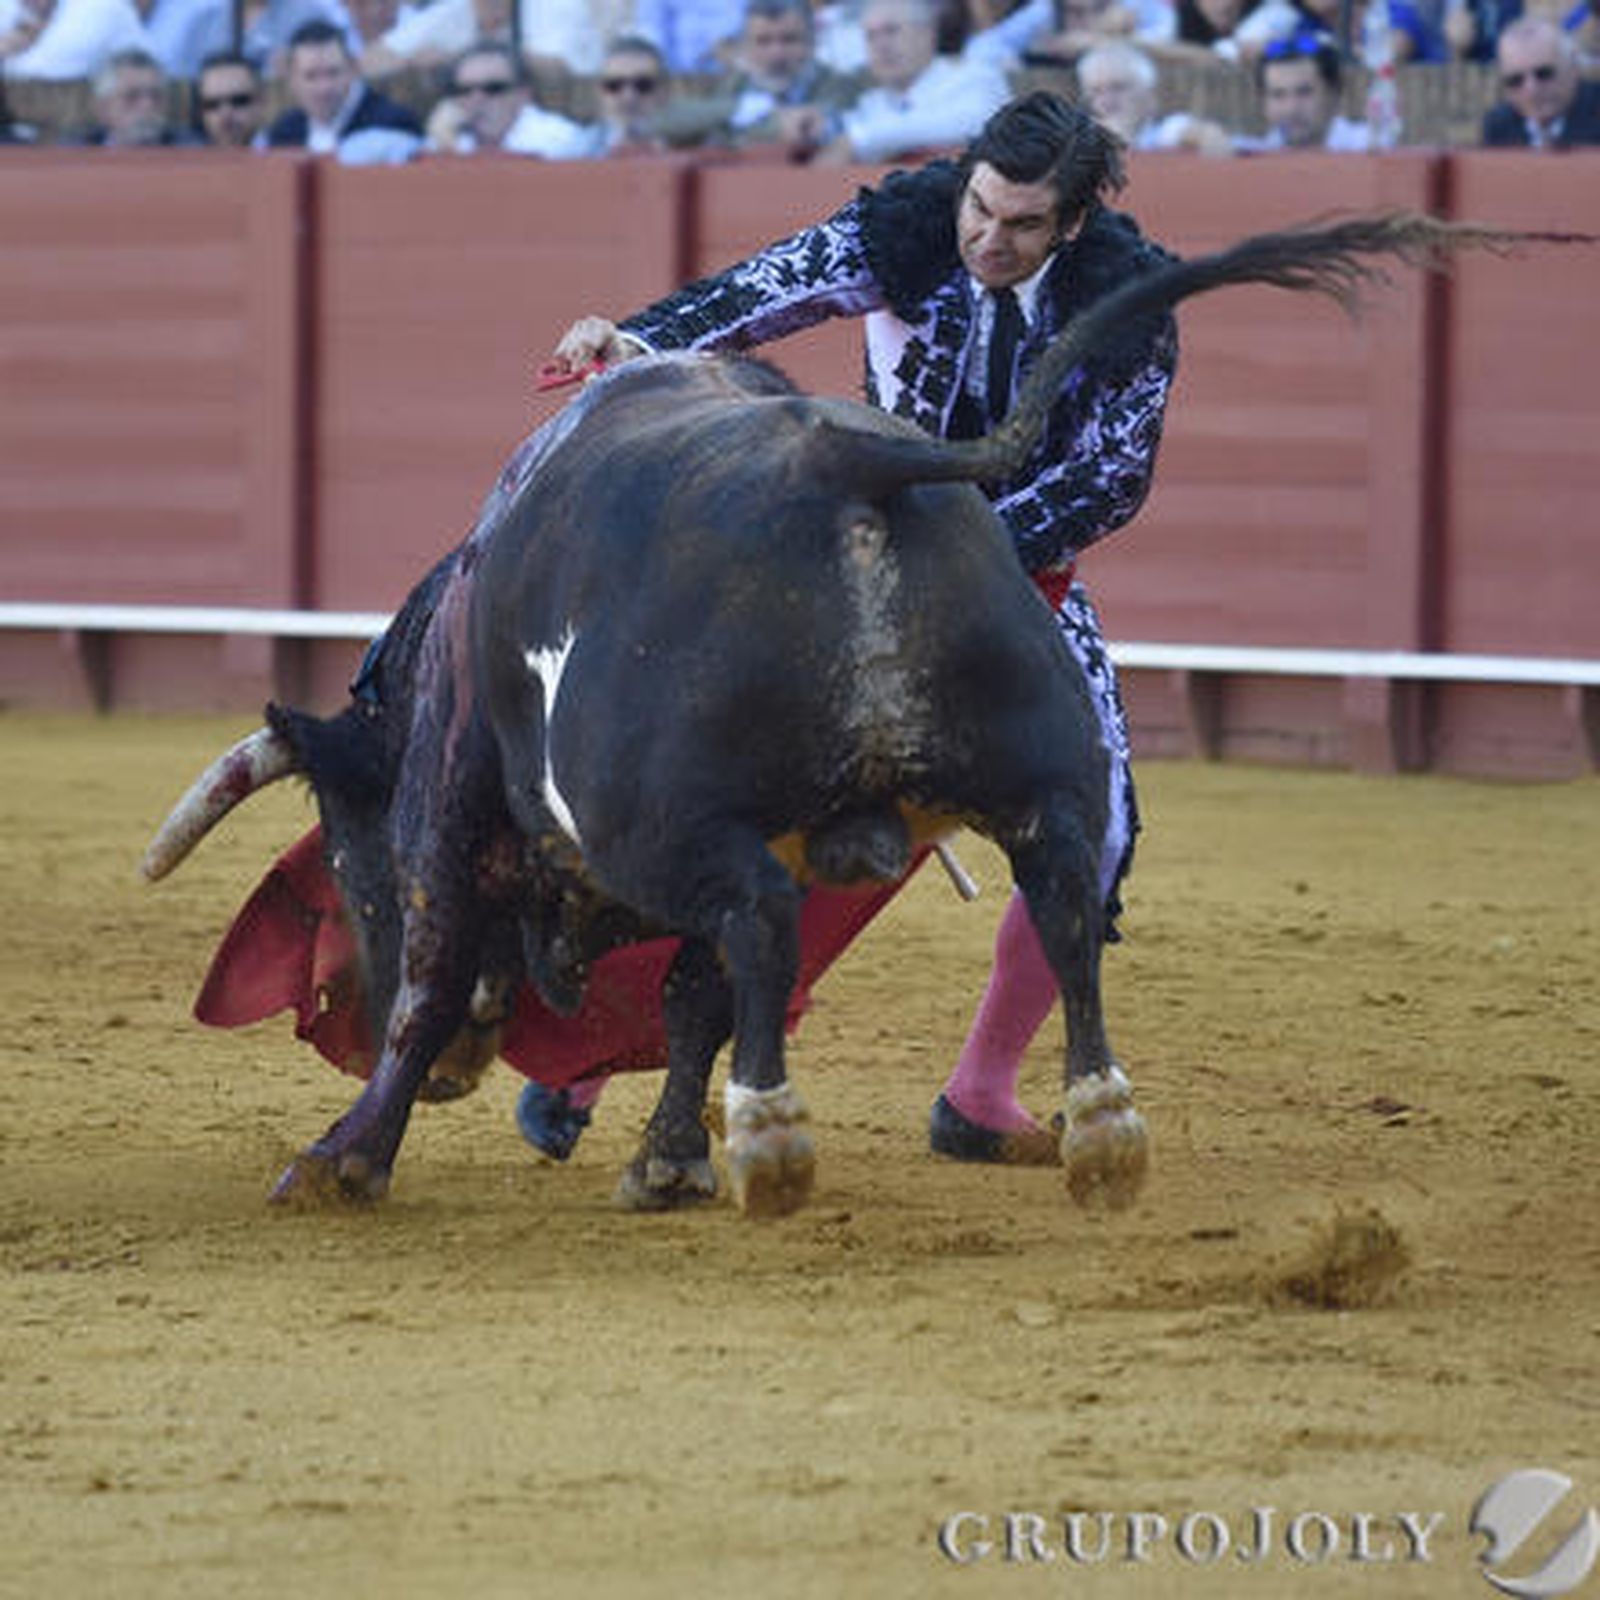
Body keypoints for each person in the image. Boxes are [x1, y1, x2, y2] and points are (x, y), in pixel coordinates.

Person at [538, 89, 1179, 1165]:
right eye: (981, 206)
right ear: (964, 178)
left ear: (1070, 224)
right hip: (849, 557)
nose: (988, 237)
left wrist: (971, 554)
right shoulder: (907, 230)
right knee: (726, 799)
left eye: (1022, 224)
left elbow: (1109, 480)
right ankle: (591, 1060)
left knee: (1096, 831)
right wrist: (637, 335)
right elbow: (762, 294)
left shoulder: (1127, 301)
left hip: (1023, 580)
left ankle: (980, 1091)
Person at [808, 0, 1011, 164]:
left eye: (891, 31)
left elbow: (976, 121)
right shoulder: (871, 104)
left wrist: (862, 139)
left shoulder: (975, 75)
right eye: (871, 36)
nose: (881, 45)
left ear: (927, 33)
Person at [654, 0, 866, 158]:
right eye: (763, 41)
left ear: (812, 42)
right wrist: (740, 108)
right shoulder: (731, 85)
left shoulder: (838, 84)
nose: (776, 54)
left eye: (789, 39)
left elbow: (803, 129)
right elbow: (663, 120)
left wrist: (735, 126)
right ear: (745, 47)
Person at [260, 16, 423, 162]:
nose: (324, 87)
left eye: (333, 73)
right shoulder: (284, 132)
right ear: (292, 79)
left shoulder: (391, 123)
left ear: (352, 70)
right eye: (311, 76)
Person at [358, 0, 602, 79]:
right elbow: (368, 62)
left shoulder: (558, 6)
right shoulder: (454, 10)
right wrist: (410, 63)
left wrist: (456, 61)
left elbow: (561, 69)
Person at [426, 40, 592, 153]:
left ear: (522, 96)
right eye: (464, 90)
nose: (476, 99)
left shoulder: (559, 141)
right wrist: (446, 149)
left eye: (493, 89)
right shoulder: (446, 135)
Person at [1075, 37, 1234, 148]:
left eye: (1118, 88)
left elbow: (1213, 139)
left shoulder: (1166, 132)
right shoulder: (1076, 142)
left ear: (1149, 94)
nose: (1107, 100)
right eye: (1096, 92)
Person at [1481, 15, 1600, 144]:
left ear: (1573, 68)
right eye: (1516, 80)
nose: (1532, 89)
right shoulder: (1498, 127)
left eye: (1544, 74)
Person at [1239, 35, 1372, 149]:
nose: (1291, 108)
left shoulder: (1370, 146)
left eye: (1304, 93)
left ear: (1334, 95)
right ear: (1263, 103)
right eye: (1278, 95)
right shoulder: (1255, 152)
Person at [79, 44, 200, 141]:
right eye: (132, 96)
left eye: (156, 96)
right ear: (103, 108)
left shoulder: (190, 150)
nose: (147, 105)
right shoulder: (75, 155)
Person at [194, 49, 265, 145]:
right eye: (212, 104)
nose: (226, 114)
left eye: (239, 101)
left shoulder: (286, 150)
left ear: (261, 104)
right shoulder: (184, 155)